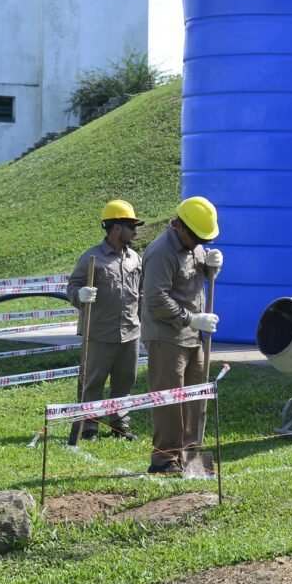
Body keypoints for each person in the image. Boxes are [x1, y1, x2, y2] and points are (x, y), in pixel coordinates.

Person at [142, 196, 222, 474]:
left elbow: (195, 279)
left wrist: (212, 268)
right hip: (167, 337)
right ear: (180, 227)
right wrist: (191, 319)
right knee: (169, 401)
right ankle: (165, 460)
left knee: (195, 398)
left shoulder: (194, 247)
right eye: (198, 237)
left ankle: (190, 458)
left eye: (205, 240)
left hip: (194, 339)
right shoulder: (161, 252)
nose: (201, 243)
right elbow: (155, 298)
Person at [66, 200, 145, 440]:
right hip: (99, 333)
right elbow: (73, 286)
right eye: (131, 226)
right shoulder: (92, 257)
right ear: (116, 228)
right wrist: (79, 295)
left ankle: (120, 425)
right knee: (94, 382)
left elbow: (141, 293)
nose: (136, 231)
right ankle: (90, 426)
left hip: (130, 332)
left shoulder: (135, 258)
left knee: (125, 381)